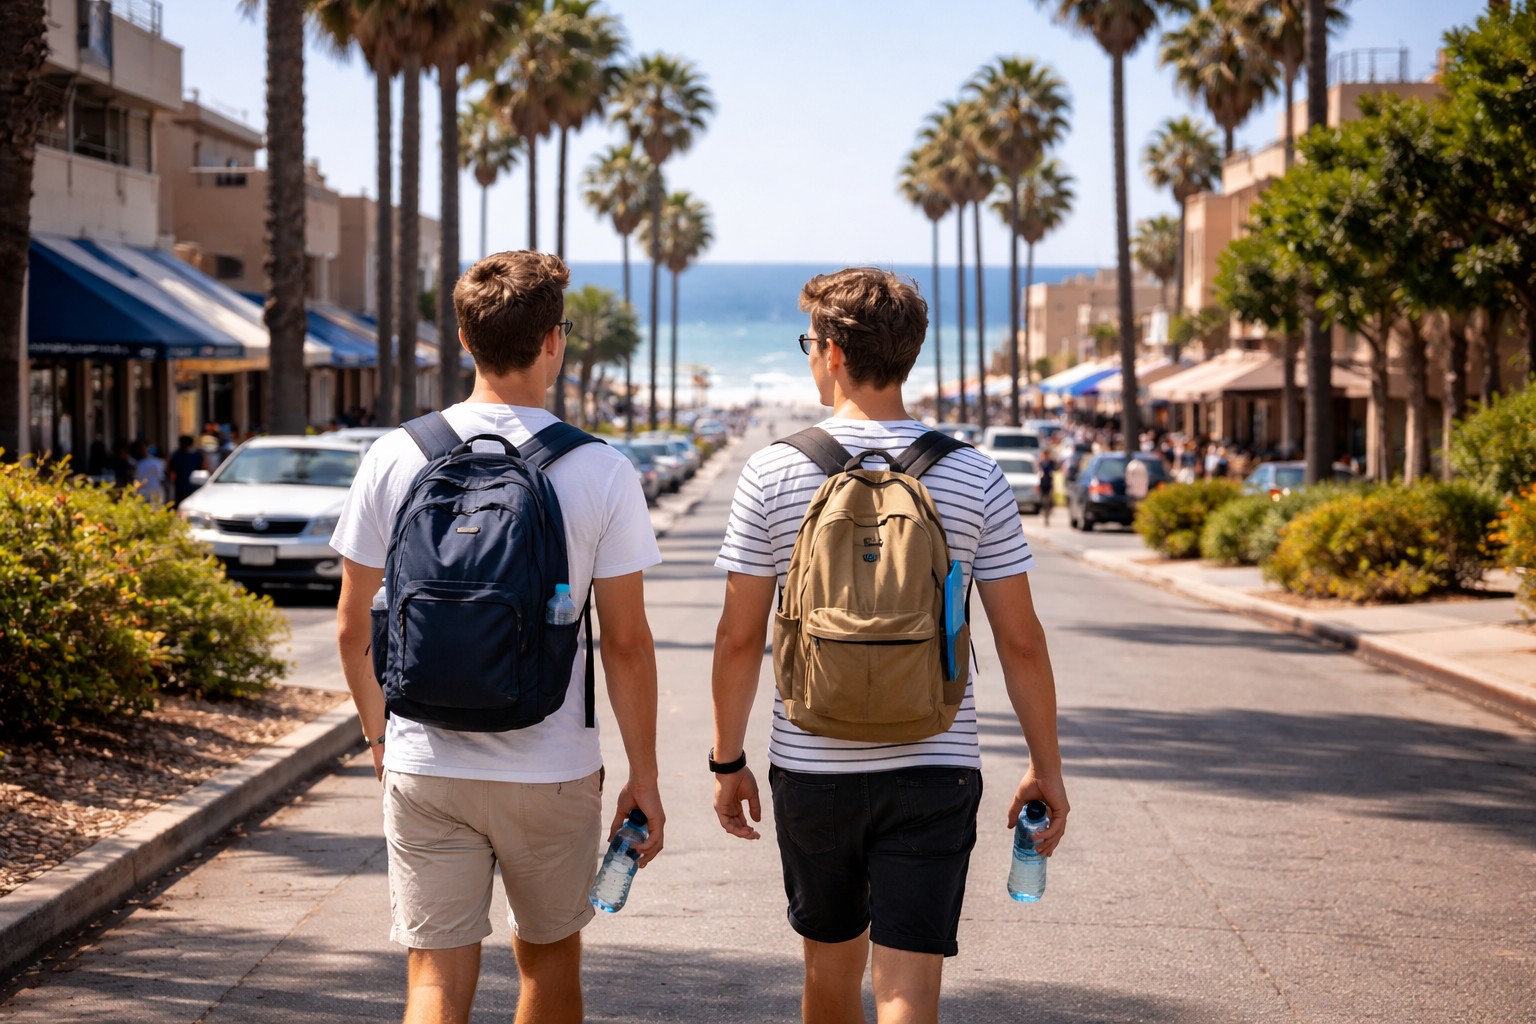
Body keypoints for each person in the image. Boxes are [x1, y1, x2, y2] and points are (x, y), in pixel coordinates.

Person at [709, 268, 1068, 1023]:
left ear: (833, 352)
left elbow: (740, 639)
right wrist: (1046, 768)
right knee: (909, 991)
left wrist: (728, 759)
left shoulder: (774, 470)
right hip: (934, 763)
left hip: (813, 766)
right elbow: (1021, 643)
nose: (812, 356)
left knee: (830, 977)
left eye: (811, 343)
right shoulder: (973, 473)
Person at [332, 250, 665, 1024]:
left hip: (426, 759)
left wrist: (380, 737)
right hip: (552, 767)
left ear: (462, 337)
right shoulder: (600, 468)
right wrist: (643, 777)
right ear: (554, 340)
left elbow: (354, 623)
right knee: (548, 965)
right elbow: (626, 644)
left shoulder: (397, 454)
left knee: (434, 980)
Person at [167, 434, 204, 508]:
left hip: (191, 486)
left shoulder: (196, 455)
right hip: (182, 487)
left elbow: (202, 470)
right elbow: (170, 471)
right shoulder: (176, 455)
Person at [132, 440, 167, 505]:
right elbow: (137, 480)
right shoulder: (138, 463)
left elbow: (161, 478)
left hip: (155, 492)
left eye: (144, 448)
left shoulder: (158, 462)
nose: (142, 451)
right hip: (142, 493)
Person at [1037, 446, 1058, 527]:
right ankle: (1045, 515)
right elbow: (1038, 472)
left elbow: (1056, 468)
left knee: (1048, 501)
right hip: (1042, 484)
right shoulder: (1041, 463)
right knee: (1043, 501)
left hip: (1049, 484)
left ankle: (1047, 517)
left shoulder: (1051, 462)